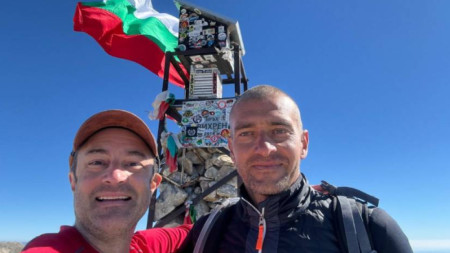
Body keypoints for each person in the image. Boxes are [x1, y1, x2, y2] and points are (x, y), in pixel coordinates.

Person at [177, 85, 413, 253]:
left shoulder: (370, 227)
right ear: (231, 148)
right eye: (246, 134)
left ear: (304, 143)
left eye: (279, 131)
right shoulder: (206, 232)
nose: (264, 148)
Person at [23, 110, 191, 253]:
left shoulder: (144, 246)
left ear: (153, 184)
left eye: (133, 164)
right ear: (73, 181)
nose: (115, 176)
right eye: (96, 162)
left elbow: (202, 229)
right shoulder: (49, 248)